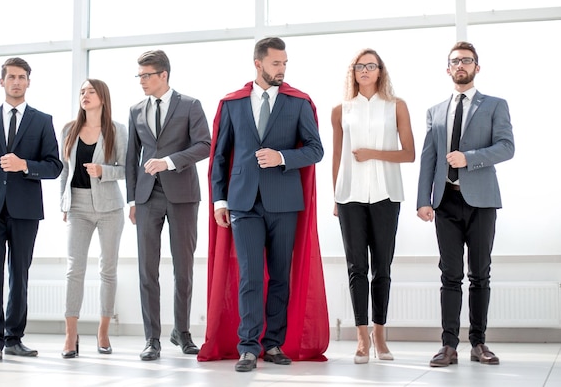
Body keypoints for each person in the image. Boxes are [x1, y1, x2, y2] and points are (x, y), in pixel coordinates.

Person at [208, 37, 326, 372]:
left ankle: (273, 344)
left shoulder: (298, 103)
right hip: (243, 203)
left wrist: (282, 157)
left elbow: (316, 150)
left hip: (284, 203)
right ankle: (248, 346)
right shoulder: (231, 104)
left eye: (285, 63)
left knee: (279, 277)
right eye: (276, 63)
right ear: (258, 64)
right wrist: (220, 199)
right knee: (250, 277)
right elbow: (220, 157)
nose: (282, 69)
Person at [416, 41, 515, 367]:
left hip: (482, 202)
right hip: (445, 202)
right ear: (448, 69)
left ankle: (478, 343)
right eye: (455, 61)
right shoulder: (435, 111)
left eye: (467, 60)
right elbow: (428, 159)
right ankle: (448, 346)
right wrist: (423, 201)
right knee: (450, 275)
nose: (461, 65)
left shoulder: (495, 105)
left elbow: (506, 147)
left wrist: (467, 158)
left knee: (480, 275)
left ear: (476, 67)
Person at [0, 57, 63, 363]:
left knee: (19, 274)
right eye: (11, 77)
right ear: (2, 81)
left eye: (22, 77)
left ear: (28, 82)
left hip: (25, 210)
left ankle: (14, 338)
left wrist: (24, 166)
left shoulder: (42, 120)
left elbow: (54, 166)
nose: (16, 81)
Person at [125, 49, 211, 361]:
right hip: (147, 198)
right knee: (147, 269)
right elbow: (131, 158)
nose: (141, 81)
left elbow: (205, 145)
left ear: (164, 75)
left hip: (183, 195)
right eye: (139, 76)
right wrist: (132, 199)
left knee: (183, 268)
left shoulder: (190, 105)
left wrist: (170, 162)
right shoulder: (135, 109)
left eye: (146, 75)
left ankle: (182, 332)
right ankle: (152, 339)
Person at [331, 49, 415, 364]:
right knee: (356, 268)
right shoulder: (340, 110)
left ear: (380, 71)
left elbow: (409, 153)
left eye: (371, 66)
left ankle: (380, 335)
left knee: (382, 267)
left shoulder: (396, 107)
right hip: (349, 196)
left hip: (386, 195)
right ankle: (361, 337)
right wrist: (335, 195)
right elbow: (338, 157)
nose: (364, 71)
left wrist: (373, 153)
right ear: (352, 72)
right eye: (359, 66)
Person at [59, 79, 127, 358]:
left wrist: (103, 171)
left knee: (107, 270)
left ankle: (103, 332)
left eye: (90, 91)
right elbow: (65, 168)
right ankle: (70, 335)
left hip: (110, 207)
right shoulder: (68, 129)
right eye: (81, 92)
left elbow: (125, 170)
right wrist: (63, 203)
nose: (85, 95)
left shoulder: (117, 130)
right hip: (77, 205)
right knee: (74, 270)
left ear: (103, 97)